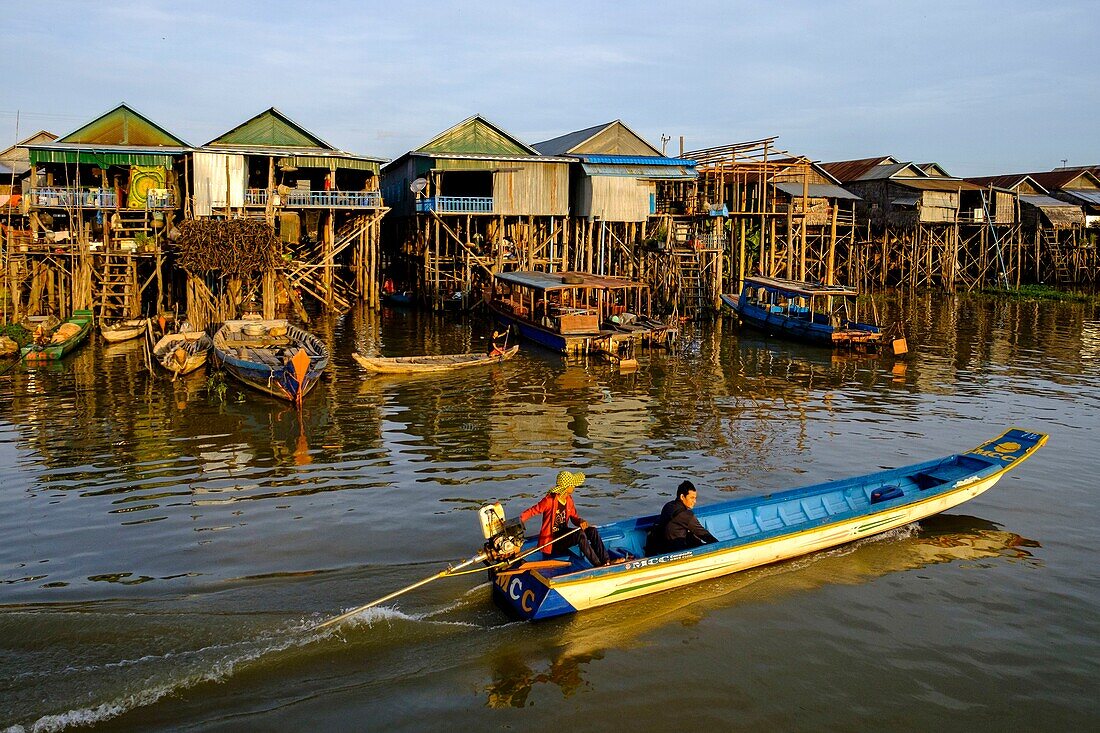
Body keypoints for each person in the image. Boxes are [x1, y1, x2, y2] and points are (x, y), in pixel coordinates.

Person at [519, 470, 611, 568]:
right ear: (566, 487)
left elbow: (574, 518)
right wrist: (520, 520)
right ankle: (598, 565)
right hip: (553, 540)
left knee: (592, 530)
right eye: (572, 485)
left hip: (564, 534)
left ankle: (606, 561)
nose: (574, 487)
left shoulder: (569, 500)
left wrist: (580, 521)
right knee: (579, 535)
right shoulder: (549, 500)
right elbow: (533, 511)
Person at [648, 480, 718, 554]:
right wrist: (719, 545)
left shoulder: (668, 505)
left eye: (695, 498)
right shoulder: (686, 515)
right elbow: (702, 533)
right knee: (695, 536)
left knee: (691, 534)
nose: (694, 501)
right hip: (676, 552)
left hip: (663, 547)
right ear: (682, 496)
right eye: (692, 498)